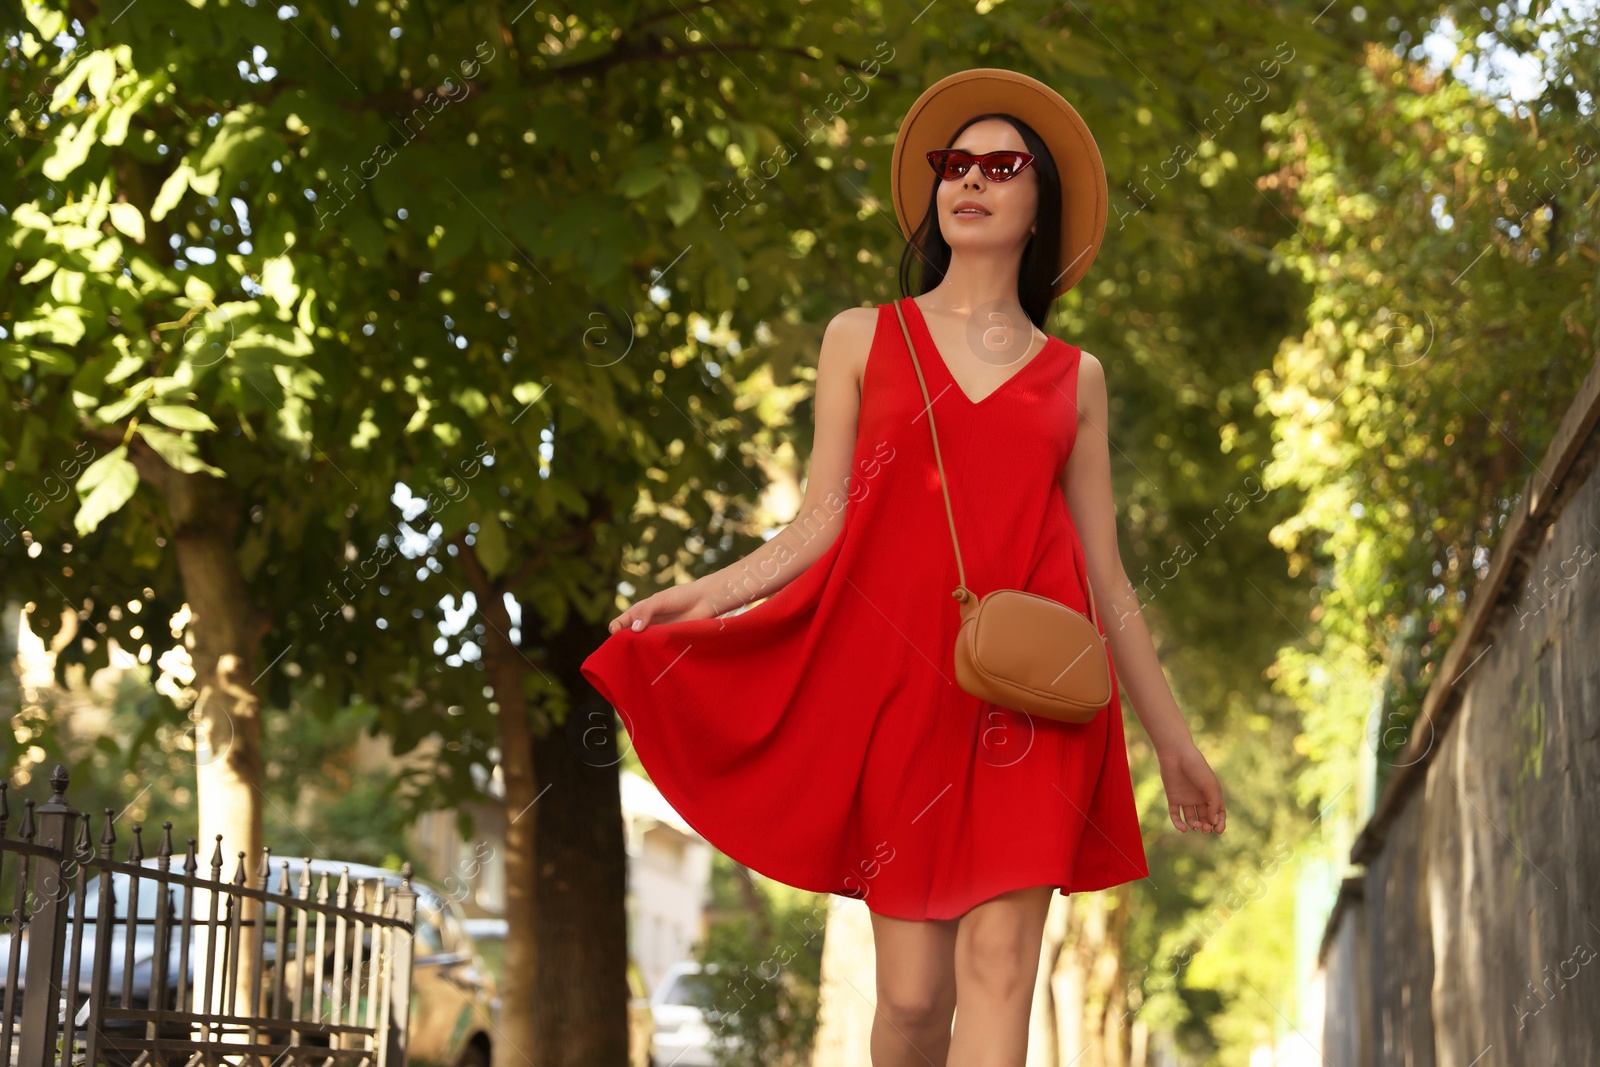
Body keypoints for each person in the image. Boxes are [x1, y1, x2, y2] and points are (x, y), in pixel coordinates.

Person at [582, 68, 1226, 1066]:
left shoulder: (1077, 379)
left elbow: (1107, 574)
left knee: (1003, 963)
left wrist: (1171, 740)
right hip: (900, 690)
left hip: (1037, 697)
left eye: (999, 166)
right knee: (915, 1001)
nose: (970, 181)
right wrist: (705, 592)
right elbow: (817, 522)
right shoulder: (859, 338)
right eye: (953, 165)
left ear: (1037, 202)